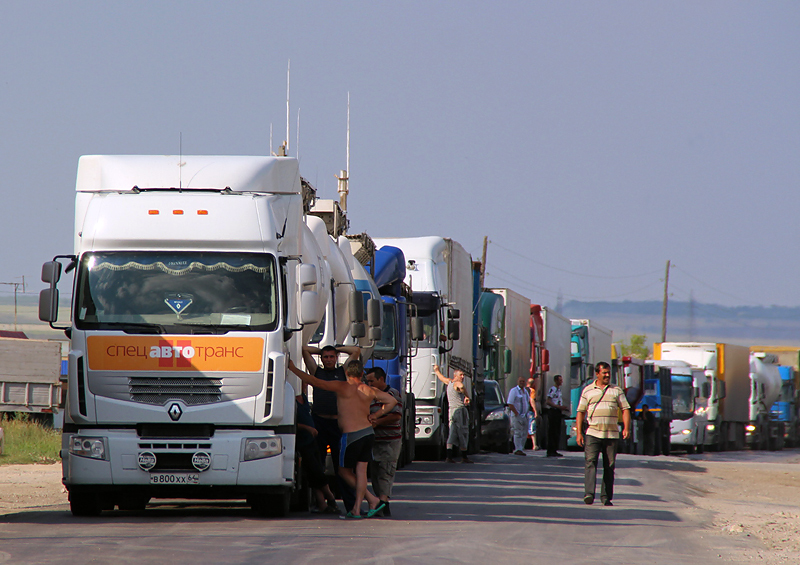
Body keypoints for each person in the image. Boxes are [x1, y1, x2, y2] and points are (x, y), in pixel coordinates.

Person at [289, 357, 397, 518]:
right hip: (368, 433)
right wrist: (376, 415)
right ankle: (358, 508)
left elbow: (315, 381)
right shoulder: (368, 390)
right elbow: (392, 401)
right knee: (361, 471)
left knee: (344, 472)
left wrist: (292, 368)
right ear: (361, 373)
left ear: (346, 373)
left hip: (352, 435)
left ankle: (370, 499)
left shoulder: (342, 386)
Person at [302, 344, 361, 513]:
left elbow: (356, 351)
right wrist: (322, 350)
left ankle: (351, 506)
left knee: (342, 467)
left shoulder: (343, 372)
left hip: (337, 424)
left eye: (331, 357)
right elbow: (305, 350)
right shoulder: (316, 372)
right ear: (321, 359)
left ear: (336, 358)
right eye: (325, 357)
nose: (328, 360)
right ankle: (321, 503)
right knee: (317, 466)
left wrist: (337, 348)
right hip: (319, 423)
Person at [576, 362, 631, 506]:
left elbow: (625, 409)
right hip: (592, 433)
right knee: (590, 463)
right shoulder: (588, 390)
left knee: (609, 465)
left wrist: (626, 428)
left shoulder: (616, 390)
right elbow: (580, 412)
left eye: (608, 373)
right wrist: (579, 433)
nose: (607, 375)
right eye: (604, 373)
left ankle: (606, 497)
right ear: (597, 374)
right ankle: (589, 494)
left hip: (611, 435)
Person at [365, 366, 403, 517]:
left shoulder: (392, 394)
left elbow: (396, 416)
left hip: (390, 441)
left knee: (386, 471)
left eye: (372, 381)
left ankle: (384, 503)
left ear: (381, 379)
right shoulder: (370, 395)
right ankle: (380, 503)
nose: (369, 385)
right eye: (367, 382)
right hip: (374, 441)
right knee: (375, 474)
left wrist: (378, 422)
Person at [295, 390, 340, 514]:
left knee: (315, 472)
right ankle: (330, 497)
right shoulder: (290, 400)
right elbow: (290, 423)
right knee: (315, 471)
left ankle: (321, 504)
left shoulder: (303, 398)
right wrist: (307, 428)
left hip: (311, 440)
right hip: (302, 442)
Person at [433, 364, 474, 464]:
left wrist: (436, 371)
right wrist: (467, 396)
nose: (462, 377)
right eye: (461, 375)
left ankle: (449, 456)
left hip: (451, 411)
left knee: (452, 433)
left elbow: (441, 377)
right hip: (459, 411)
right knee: (463, 432)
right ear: (455, 376)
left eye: (463, 375)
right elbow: (461, 386)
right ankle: (464, 457)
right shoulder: (457, 383)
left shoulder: (449, 382)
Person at [545, 374, 570, 457]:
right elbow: (548, 401)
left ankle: (555, 449)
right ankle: (550, 450)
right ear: (556, 381)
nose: (561, 381)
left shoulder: (559, 390)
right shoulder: (553, 389)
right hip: (553, 411)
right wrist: (557, 406)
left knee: (557, 431)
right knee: (552, 431)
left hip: (558, 412)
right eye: (560, 380)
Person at [507, 376, 530, 456]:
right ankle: (518, 449)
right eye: (520, 381)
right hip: (517, 416)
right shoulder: (514, 391)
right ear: (518, 381)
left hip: (525, 416)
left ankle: (521, 448)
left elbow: (527, 402)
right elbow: (510, 403)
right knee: (517, 432)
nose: (522, 382)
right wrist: (516, 414)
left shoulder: (526, 392)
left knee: (524, 433)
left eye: (523, 381)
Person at [526, 377, 539, 451]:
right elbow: (532, 400)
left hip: (524, 411)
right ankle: (534, 445)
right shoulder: (532, 391)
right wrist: (535, 411)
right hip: (530, 411)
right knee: (532, 428)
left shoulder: (524, 390)